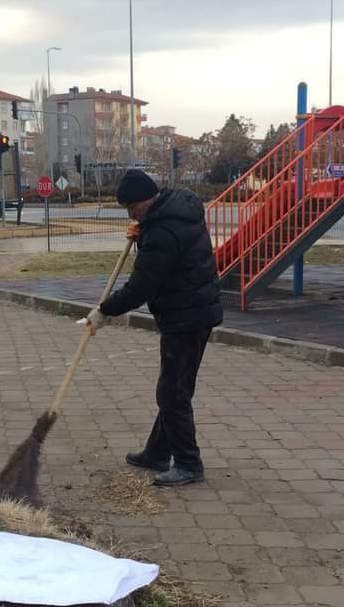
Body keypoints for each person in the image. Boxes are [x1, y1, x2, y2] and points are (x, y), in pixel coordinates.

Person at [83, 169, 223, 487]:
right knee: (174, 389)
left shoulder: (163, 231)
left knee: (173, 394)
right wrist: (142, 231)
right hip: (192, 311)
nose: (131, 214)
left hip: (187, 316)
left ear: (148, 199)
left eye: (134, 208)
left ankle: (189, 464)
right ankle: (157, 452)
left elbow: (141, 286)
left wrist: (103, 312)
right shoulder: (175, 210)